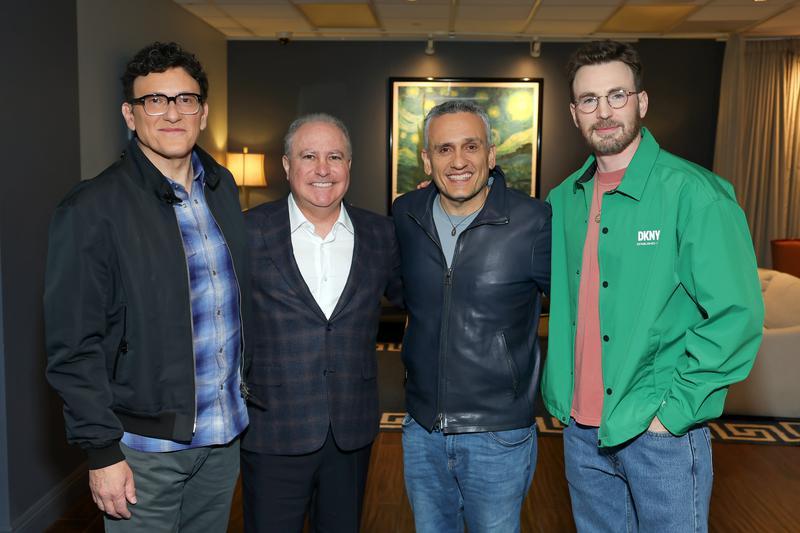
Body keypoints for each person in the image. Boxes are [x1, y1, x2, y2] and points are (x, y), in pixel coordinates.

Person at [543, 40, 764, 532]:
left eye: (617, 96)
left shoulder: (695, 194)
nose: (604, 112)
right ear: (574, 113)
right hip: (582, 433)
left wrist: (673, 412)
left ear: (641, 102)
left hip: (658, 432)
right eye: (589, 100)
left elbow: (737, 314)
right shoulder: (564, 201)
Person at [44, 42, 248, 531]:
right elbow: (73, 346)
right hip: (143, 453)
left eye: (185, 99)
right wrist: (101, 452)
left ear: (203, 110)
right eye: (155, 100)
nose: (173, 113)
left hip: (222, 441)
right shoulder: (92, 208)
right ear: (130, 115)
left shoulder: (221, 188)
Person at [392, 100, 551, 533]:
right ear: (426, 159)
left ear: (491, 154)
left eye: (470, 147)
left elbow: (583, 312)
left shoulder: (533, 221)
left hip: (497, 435)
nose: (458, 161)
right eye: (443, 149)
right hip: (422, 431)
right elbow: (399, 293)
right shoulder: (406, 215)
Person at [240, 113, 402, 533]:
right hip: (273, 429)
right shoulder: (246, 232)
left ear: (350, 165)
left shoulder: (382, 234)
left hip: (351, 429)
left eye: (335, 156)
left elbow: (417, 300)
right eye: (308, 156)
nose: (323, 169)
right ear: (287, 165)